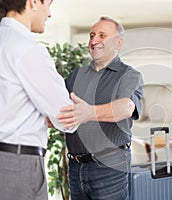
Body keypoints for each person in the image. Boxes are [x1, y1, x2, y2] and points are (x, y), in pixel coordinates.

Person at [0, 0, 87, 200]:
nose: (49, 14)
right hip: (17, 165)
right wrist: (82, 112)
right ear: (33, 3)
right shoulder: (26, 48)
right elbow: (66, 116)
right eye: (48, 4)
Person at [56, 16, 144, 200]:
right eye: (92, 35)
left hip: (110, 166)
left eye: (102, 35)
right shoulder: (74, 76)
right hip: (75, 166)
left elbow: (126, 108)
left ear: (118, 43)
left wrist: (89, 113)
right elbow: (58, 109)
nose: (94, 40)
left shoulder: (129, 75)